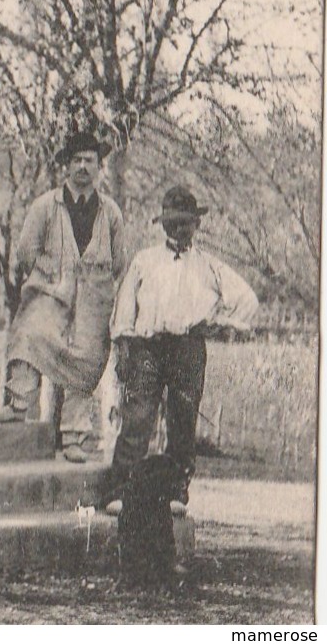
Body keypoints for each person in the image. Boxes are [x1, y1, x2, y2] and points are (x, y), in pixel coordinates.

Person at [98, 186, 258, 513]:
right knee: (138, 417)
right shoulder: (145, 261)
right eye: (171, 222)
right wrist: (125, 344)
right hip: (148, 349)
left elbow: (247, 300)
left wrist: (215, 323)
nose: (178, 229)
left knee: (182, 421)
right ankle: (119, 491)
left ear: (196, 224)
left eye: (185, 222)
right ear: (163, 225)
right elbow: (125, 306)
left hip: (187, 349)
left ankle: (175, 492)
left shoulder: (209, 266)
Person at [0, 130, 128, 464]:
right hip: (51, 292)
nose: (82, 167)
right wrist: (51, 276)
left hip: (93, 299)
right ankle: (19, 403)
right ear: (66, 165)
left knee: (87, 358)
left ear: (99, 167)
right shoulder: (46, 206)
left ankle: (74, 436)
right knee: (30, 333)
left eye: (89, 161)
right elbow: (24, 252)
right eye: (76, 160)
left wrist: (94, 282)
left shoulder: (110, 212)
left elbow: (120, 261)